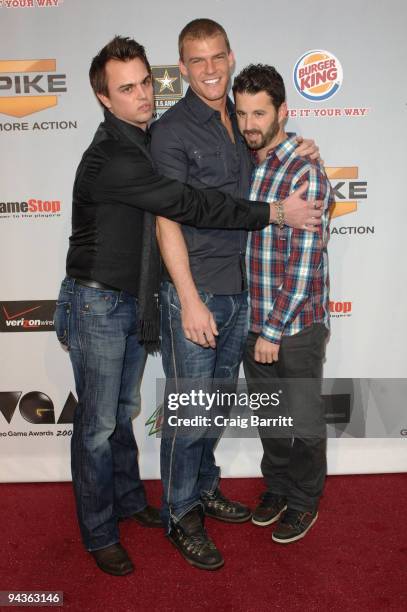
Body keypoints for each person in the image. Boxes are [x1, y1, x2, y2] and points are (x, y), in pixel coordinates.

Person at [53, 36, 318, 577]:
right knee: (103, 425)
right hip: (100, 302)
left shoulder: (155, 136)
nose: (142, 95)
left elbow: (258, 141)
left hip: (137, 302)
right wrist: (270, 214)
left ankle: (139, 501)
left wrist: (297, 146)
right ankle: (109, 530)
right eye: (126, 88)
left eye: (145, 83)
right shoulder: (119, 154)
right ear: (103, 97)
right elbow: (184, 205)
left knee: (131, 414)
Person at [150, 18, 322, 570]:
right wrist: (189, 297)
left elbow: (284, 182)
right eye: (196, 60)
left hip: (245, 299)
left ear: (229, 56)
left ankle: (204, 488)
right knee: (190, 411)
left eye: (216, 57)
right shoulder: (172, 131)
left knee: (219, 406)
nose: (208, 69)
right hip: (197, 296)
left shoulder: (239, 125)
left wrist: (305, 153)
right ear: (182, 68)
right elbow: (165, 219)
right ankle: (179, 512)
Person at [233, 64, 333, 543]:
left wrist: (273, 330)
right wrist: (258, 328)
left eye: (259, 113)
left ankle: (305, 499)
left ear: (282, 113)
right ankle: (276, 486)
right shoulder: (245, 165)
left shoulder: (304, 173)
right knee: (271, 416)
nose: (250, 123)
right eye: (242, 113)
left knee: (305, 419)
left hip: (294, 327)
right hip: (254, 322)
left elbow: (305, 263)